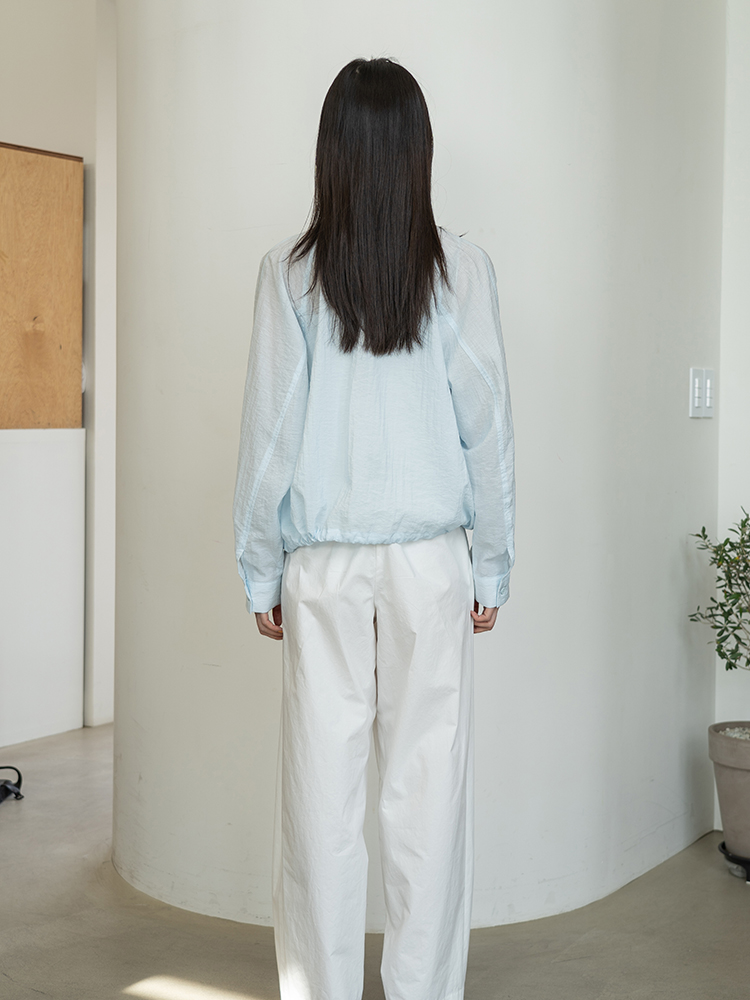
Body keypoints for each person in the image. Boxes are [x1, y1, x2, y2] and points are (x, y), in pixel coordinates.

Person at [233, 56, 515, 1000]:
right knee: (428, 797)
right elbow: (487, 426)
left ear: (333, 153)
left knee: (321, 797)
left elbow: (269, 437)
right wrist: (492, 566)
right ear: (417, 151)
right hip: (433, 564)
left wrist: (259, 569)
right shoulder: (462, 270)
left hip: (322, 567)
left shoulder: (291, 274)